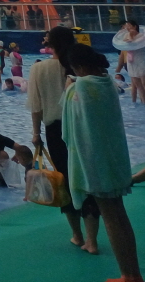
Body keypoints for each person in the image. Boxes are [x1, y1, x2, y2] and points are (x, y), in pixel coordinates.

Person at [63, 43, 144, 282]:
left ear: (77, 67)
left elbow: (69, 128)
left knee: (111, 219)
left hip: (95, 161)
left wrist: (69, 87)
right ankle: (135, 274)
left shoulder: (79, 88)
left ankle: (128, 277)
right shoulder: (107, 82)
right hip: (115, 157)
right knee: (120, 215)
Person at [29, 24, 101, 254]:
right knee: (87, 180)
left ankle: (77, 235)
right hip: (82, 127)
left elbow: (36, 106)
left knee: (65, 181)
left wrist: (36, 134)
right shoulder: (81, 66)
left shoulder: (39, 69)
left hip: (55, 130)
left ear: (50, 44)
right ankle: (92, 240)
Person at [115, 20, 145, 106]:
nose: (127, 28)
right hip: (131, 62)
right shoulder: (126, 35)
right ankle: (144, 103)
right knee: (138, 85)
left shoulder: (141, 36)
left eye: (129, 26)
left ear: (135, 26)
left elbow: (132, 43)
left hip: (141, 61)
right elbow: (125, 44)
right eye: (126, 26)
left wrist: (131, 36)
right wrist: (129, 35)